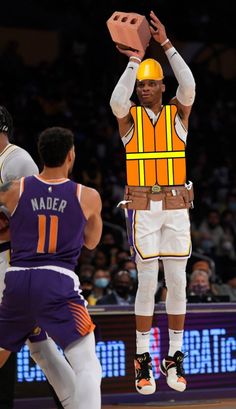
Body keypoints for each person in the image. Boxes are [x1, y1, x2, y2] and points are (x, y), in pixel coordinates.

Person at [110, 10, 196, 395]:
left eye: (149, 85)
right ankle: (142, 361)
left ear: (162, 86)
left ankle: (174, 358)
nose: (142, 90)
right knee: (147, 283)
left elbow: (191, 86)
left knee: (177, 282)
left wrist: (165, 44)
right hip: (142, 208)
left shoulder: (179, 114)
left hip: (177, 205)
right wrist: (133, 59)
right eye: (140, 86)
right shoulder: (128, 118)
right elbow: (116, 99)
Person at [0, 126, 102, 409]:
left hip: (16, 281)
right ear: (71, 155)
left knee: (22, 349)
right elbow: (92, 243)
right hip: (57, 281)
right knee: (88, 365)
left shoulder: (13, 189)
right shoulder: (87, 195)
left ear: (41, 155)